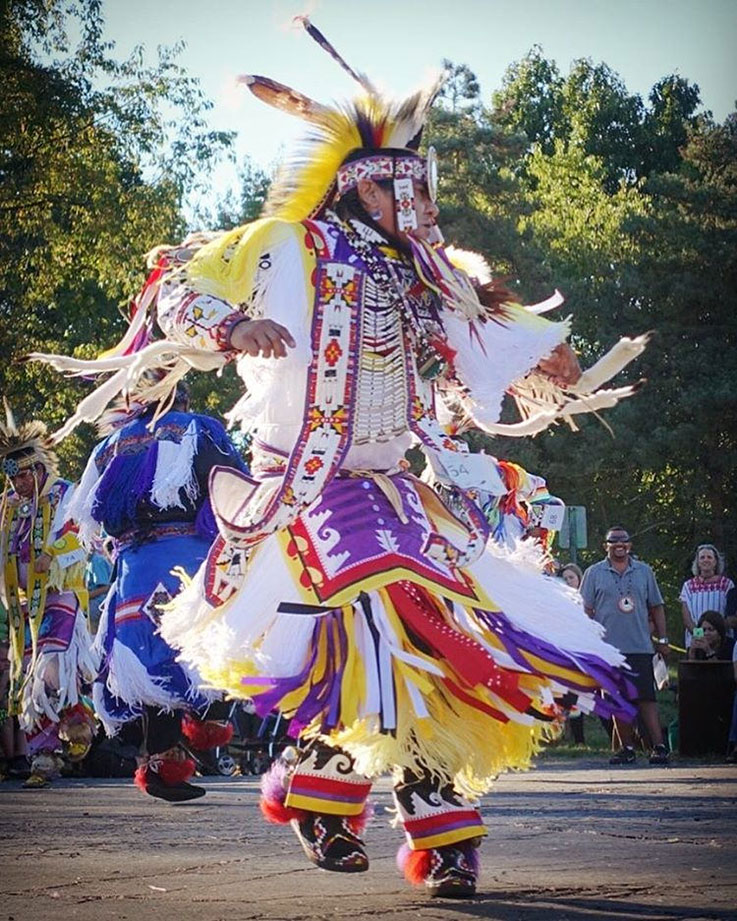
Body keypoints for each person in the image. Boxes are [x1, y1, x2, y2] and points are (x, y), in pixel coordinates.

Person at [33, 17, 649, 897]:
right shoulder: (289, 245)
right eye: (406, 194)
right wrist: (233, 324)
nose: (419, 210)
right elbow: (179, 284)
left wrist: (537, 359)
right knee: (364, 639)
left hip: (401, 488)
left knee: (440, 647)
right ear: (362, 188)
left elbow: (482, 349)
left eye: (423, 194)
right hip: (309, 488)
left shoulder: (419, 273)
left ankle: (435, 836)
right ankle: (328, 805)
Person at [70, 382, 246, 802]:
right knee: (212, 648)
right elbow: (234, 490)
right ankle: (207, 724)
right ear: (181, 398)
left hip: (134, 571)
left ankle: (162, 766)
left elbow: (89, 518)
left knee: (152, 670)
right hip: (189, 562)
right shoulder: (198, 430)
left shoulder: (110, 447)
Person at [0, 404, 96, 786]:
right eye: (12, 479)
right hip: (23, 608)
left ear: (38, 470)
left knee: (52, 668)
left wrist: (52, 554)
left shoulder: (63, 494)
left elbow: (84, 535)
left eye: (23, 477)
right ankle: (43, 757)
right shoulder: (8, 507)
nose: (17, 485)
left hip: (59, 596)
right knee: (27, 679)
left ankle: (78, 717)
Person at [580, 526, 670, 765]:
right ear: (605, 546)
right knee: (618, 699)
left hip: (640, 645)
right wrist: (588, 641)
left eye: (624, 541)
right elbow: (585, 610)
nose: (619, 545)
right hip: (608, 649)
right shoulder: (594, 573)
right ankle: (626, 748)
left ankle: (659, 747)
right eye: (614, 541)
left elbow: (657, 607)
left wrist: (663, 639)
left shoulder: (644, 571)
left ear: (630, 545)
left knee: (646, 698)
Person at [680, 545, 733, 649]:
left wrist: (715, 636)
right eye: (702, 557)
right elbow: (687, 618)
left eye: (709, 557)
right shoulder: (688, 586)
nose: (706, 560)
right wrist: (700, 637)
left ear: (715, 562)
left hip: (721, 643)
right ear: (698, 562)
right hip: (695, 643)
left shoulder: (727, 584)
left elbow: (730, 616)